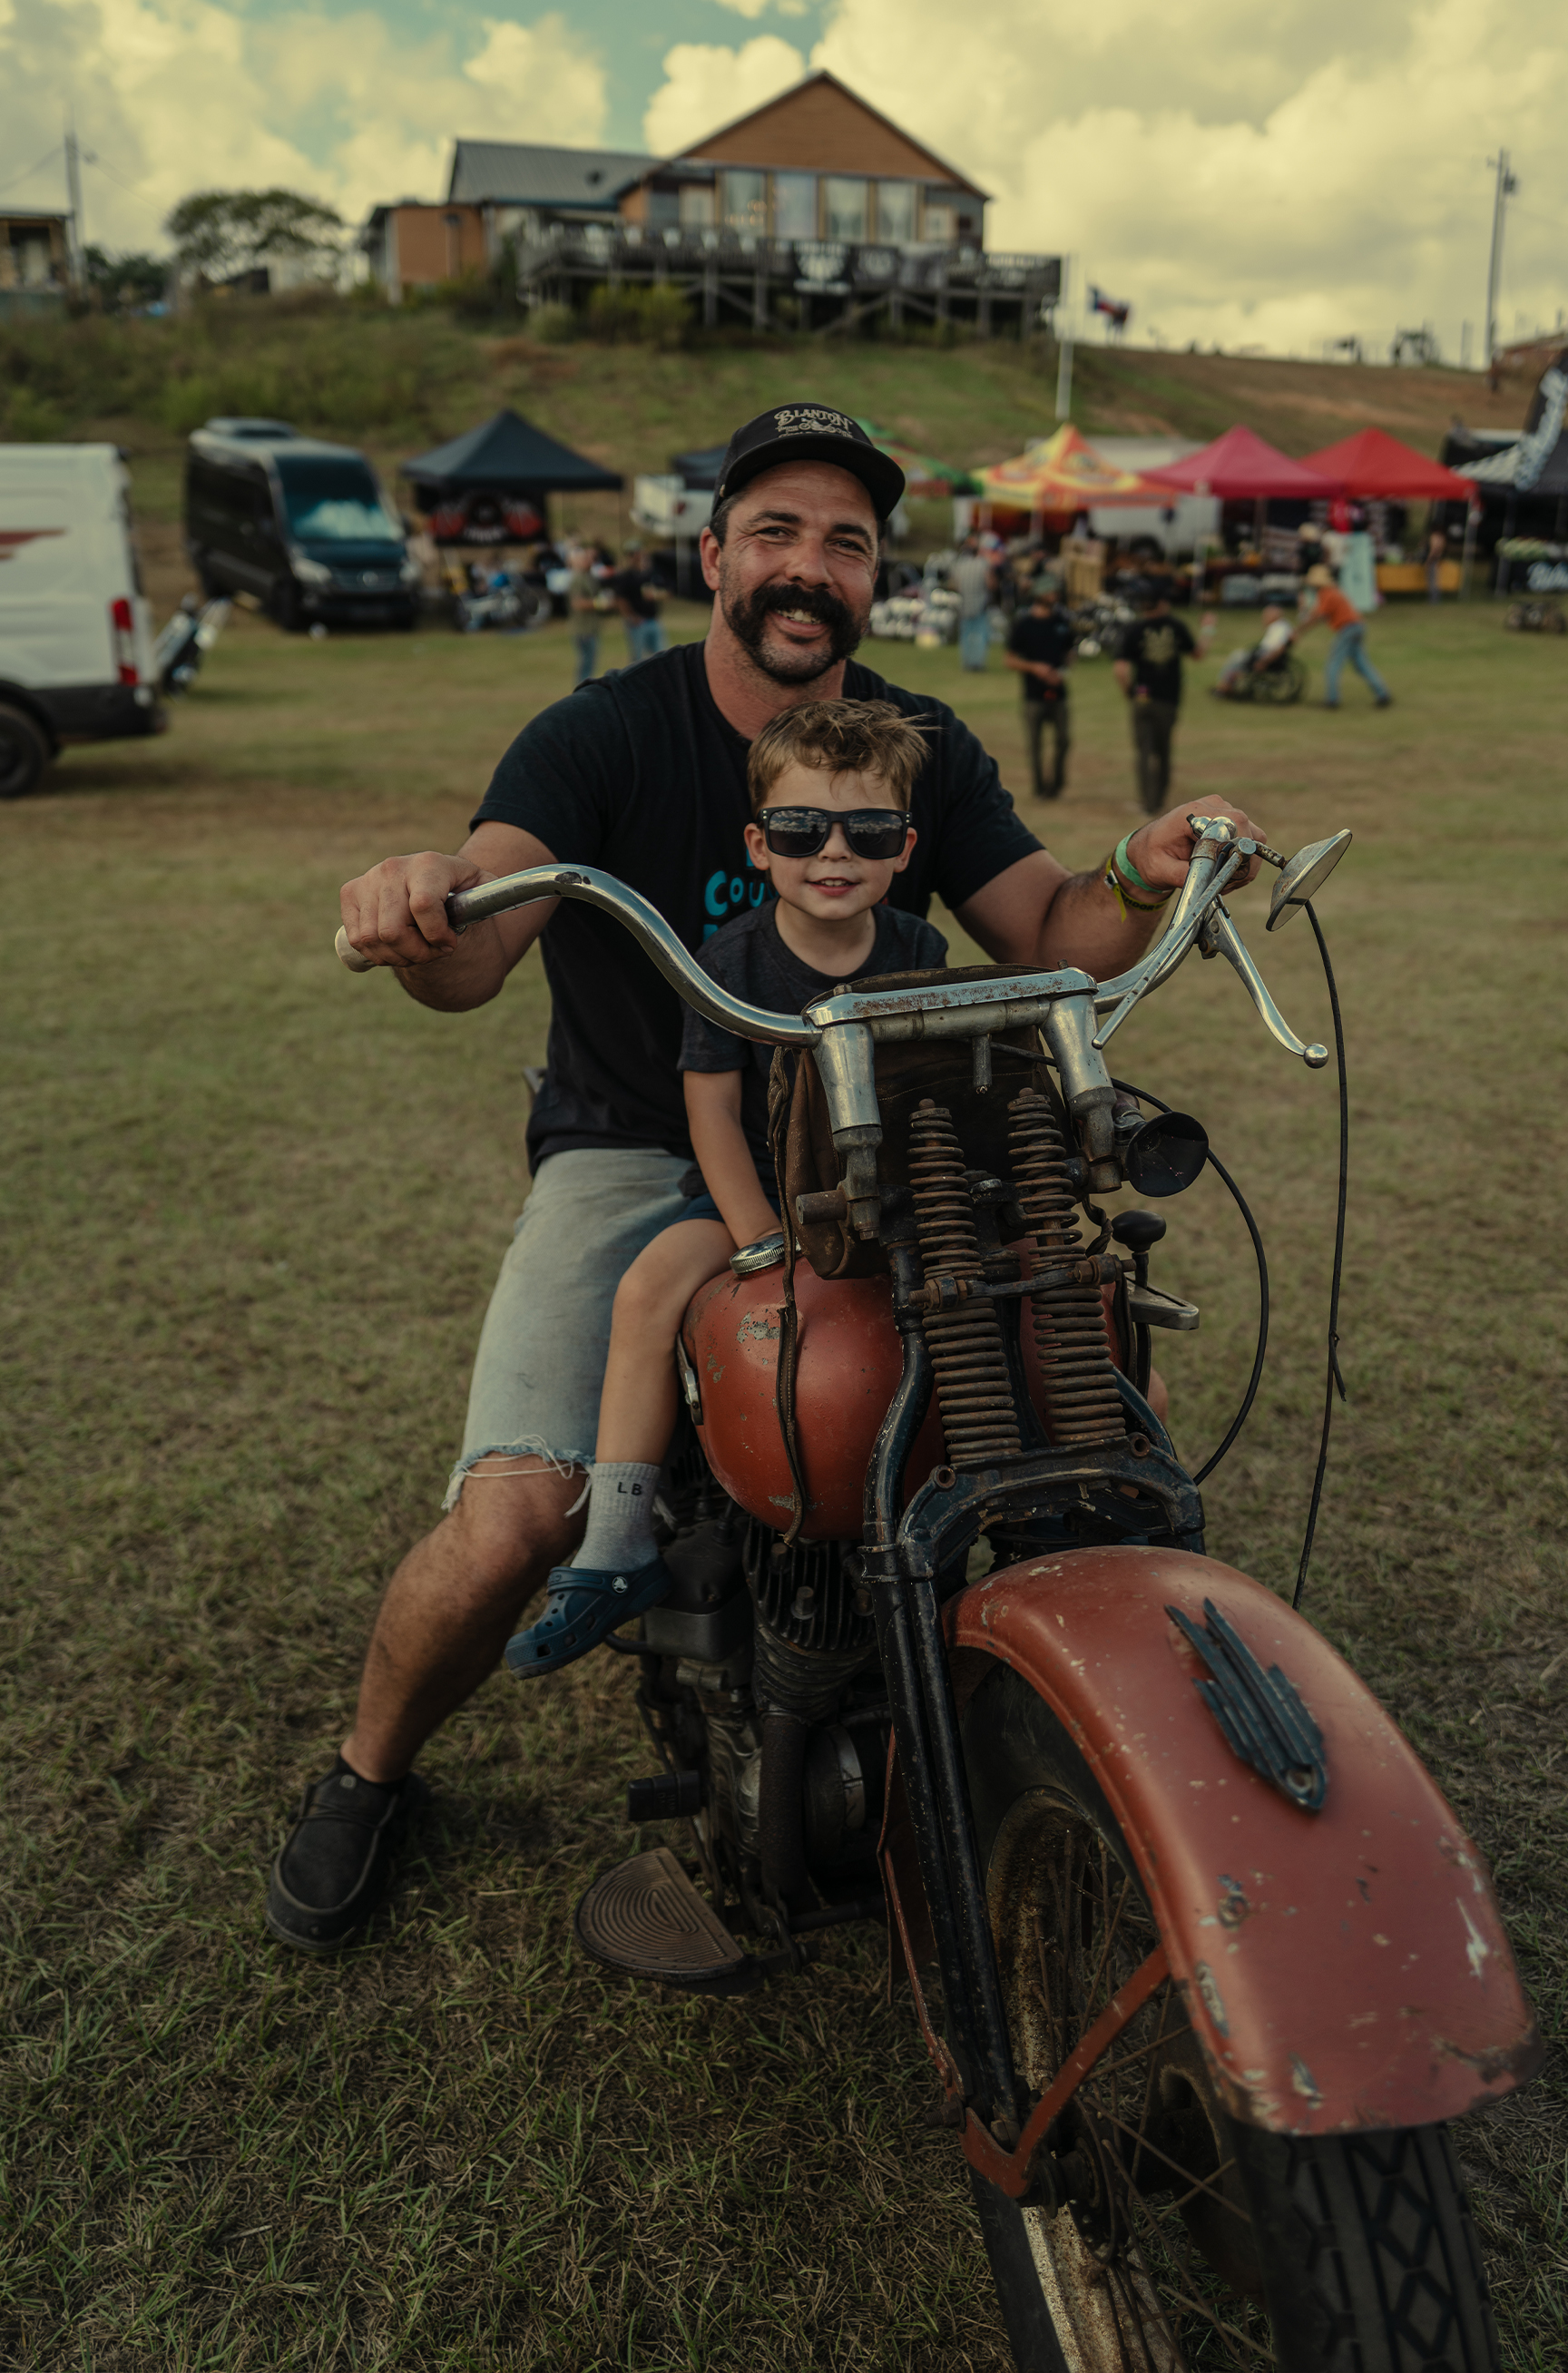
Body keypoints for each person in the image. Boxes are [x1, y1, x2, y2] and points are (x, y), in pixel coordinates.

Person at [268, 398, 1266, 1953]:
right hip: (637, 1147)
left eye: (846, 544)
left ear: (874, 580)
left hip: (884, 1146)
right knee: (517, 1514)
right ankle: (366, 1770)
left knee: (1046, 1373)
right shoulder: (603, 728)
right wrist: (422, 903)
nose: (809, 568)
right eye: (778, 534)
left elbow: (1044, 933)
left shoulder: (910, 746)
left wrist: (1139, 866)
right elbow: (477, 938)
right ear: (716, 554)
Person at [508, 699, 944, 1668]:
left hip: (891, 1205)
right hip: (760, 1205)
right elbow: (710, 1111)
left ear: (903, 846)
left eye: (866, 829)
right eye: (800, 829)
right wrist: (760, 1239)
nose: (833, 852)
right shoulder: (730, 960)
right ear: (758, 842)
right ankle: (617, 1542)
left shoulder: (920, 952)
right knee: (651, 1281)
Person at [1113, 579, 1198, 813]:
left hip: (1143, 698)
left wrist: (1130, 692)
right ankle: (1159, 801)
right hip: (1168, 699)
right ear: (1162, 603)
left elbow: (1120, 670)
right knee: (1164, 752)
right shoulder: (1176, 626)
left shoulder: (1134, 629)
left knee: (1143, 752)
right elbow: (1197, 653)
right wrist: (1209, 628)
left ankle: (1146, 803)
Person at [1005, 574, 1073, 800]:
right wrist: (1035, 668)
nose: (1055, 596)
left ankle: (1056, 785)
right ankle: (1039, 788)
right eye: (1050, 592)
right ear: (1039, 595)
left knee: (1063, 741)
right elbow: (1009, 659)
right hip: (1033, 695)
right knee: (1035, 745)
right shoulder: (1024, 625)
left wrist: (1060, 673)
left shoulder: (1062, 622)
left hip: (1059, 694)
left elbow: (1069, 655)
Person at [1291, 564, 1392, 710]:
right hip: (1357, 626)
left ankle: (1332, 699)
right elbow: (1317, 613)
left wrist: (1298, 631)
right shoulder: (1330, 592)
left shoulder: (1326, 593)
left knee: (1333, 663)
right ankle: (1383, 694)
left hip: (1348, 628)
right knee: (1361, 664)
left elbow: (1317, 617)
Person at [1212, 603, 1292, 699]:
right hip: (1262, 653)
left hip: (1266, 656)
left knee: (1237, 658)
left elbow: (1279, 648)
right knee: (1238, 657)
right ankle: (1225, 686)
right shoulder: (1278, 626)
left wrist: (1264, 662)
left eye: (1265, 616)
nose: (1264, 619)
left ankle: (1224, 687)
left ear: (1274, 616)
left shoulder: (1281, 628)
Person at [611, 539, 666, 664]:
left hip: (653, 619)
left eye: (638, 552)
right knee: (638, 657)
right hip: (638, 622)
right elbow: (620, 599)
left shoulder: (649, 574)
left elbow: (665, 591)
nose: (637, 556)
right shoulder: (625, 576)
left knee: (660, 654)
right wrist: (631, 616)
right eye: (633, 554)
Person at [951, 534, 996, 672]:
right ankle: (977, 663)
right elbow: (990, 584)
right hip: (980, 603)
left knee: (966, 635)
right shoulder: (983, 564)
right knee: (980, 634)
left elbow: (954, 585)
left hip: (964, 603)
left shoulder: (958, 565)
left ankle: (967, 662)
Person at [564, 540, 601, 687]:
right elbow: (577, 603)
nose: (591, 561)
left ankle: (586, 690)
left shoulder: (590, 577)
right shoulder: (577, 579)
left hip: (592, 627)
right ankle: (582, 691)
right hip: (582, 628)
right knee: (586, 662)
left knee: (591, 661)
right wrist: (598, 603)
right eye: (587, 559)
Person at [1424, 522, 1448, 604]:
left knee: (1432, 581)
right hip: (1438, 559)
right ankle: (1436, 598)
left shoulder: (1434, 537)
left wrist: (1428, 560)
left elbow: (1433, 549)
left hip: (1433, 560)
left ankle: (1433, 600)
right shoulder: (1442, 538)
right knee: (1436, 580)